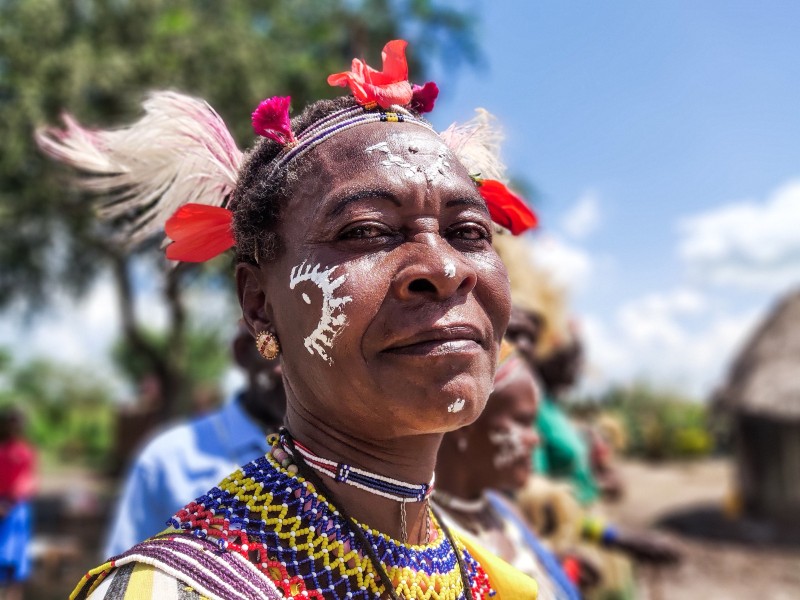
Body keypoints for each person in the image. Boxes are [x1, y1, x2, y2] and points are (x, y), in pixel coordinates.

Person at [39, 40, 539, 599]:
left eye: (469, 232)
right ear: (259, 304)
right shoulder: (173, 590)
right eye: (367, 230)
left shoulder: (499, 585)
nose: (446, 269)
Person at [103, 323, 285, 557]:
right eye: (279, 350)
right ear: (243, 352)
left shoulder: (337, 460)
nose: (302, 370)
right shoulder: (165, 460)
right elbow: (122, 577)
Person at [435, 342, 581, 600]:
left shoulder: (506, 514)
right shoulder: (430, 542)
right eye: (523, 422)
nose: (536, 440)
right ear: (464, 427)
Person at [0, 409, 36, 600]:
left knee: (17, 552)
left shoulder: (24, 451)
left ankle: (14, 593)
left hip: (17, 509)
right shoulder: (2, 450)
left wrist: (11, 501)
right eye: (11, 423)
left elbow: (27, 481)